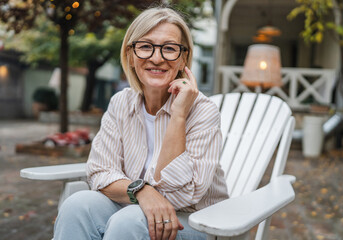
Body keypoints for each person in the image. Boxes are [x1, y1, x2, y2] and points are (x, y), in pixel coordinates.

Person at [54, 6, 228, 240]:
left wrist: (178, 116)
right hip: (134, 208)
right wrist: (142, 191)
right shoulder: (121, 103)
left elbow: (184, 195)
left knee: (129, 222)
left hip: (195, 221)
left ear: (183, 58)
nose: (157, 58)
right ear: (130, 56)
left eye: (169, 48)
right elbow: (99, 171)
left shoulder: (202, 111)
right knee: (77, 205)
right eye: (145, 46)